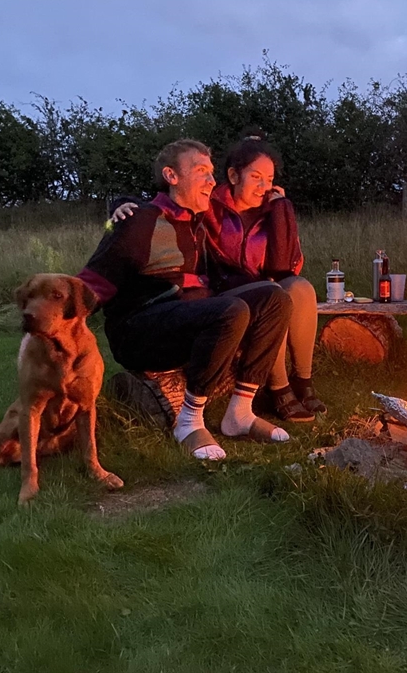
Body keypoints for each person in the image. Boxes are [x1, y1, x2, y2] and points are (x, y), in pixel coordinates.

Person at [79, 139, 293, 461]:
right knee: (230, 310)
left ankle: (240, 414)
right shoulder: (140, 221)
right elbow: (92, 283)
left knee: (275, 298)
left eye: (211, 172)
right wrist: (58, 332)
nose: (211, 181)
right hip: (139, 331)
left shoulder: (195, 224)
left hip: (184, 317)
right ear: (172, 176)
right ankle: (189, 421)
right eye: (201, 172)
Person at [113, 133, 327, 423]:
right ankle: (278, 388)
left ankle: (303, 381)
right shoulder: (209, 202)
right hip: (223, 289)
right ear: (233, 176)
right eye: (255, 177)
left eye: (269, 179)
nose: (263, 187)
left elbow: (285, 265)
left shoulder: (273, 210)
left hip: (265, 285)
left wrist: (282, 210)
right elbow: (164, 203)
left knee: (299, 288)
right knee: (273, 293)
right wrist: (121, 203)